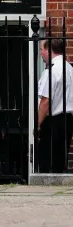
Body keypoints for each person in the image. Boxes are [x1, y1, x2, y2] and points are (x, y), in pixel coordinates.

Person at [37, 38, 73, 173]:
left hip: (53, 121)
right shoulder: (69, 68)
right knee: (60, 160)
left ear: (48, 50)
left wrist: (37, 123)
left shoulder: (52, 70)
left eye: (41, 49)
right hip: (67, 119)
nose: (40, 53)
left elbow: (46, 101)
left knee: (47, 161)